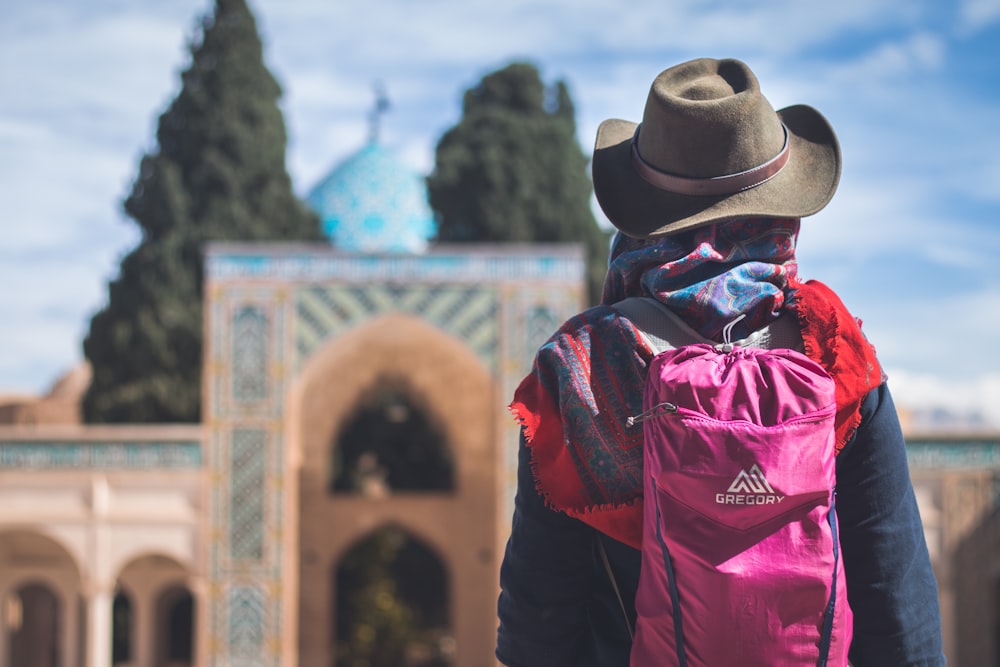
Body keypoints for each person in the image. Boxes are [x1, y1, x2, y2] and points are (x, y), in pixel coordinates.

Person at [496, 57, 945, 666]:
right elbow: (897, 606)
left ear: (639, 214)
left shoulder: (580, 373)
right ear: (780, 211)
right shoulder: (830, 350)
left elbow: (537, 624)